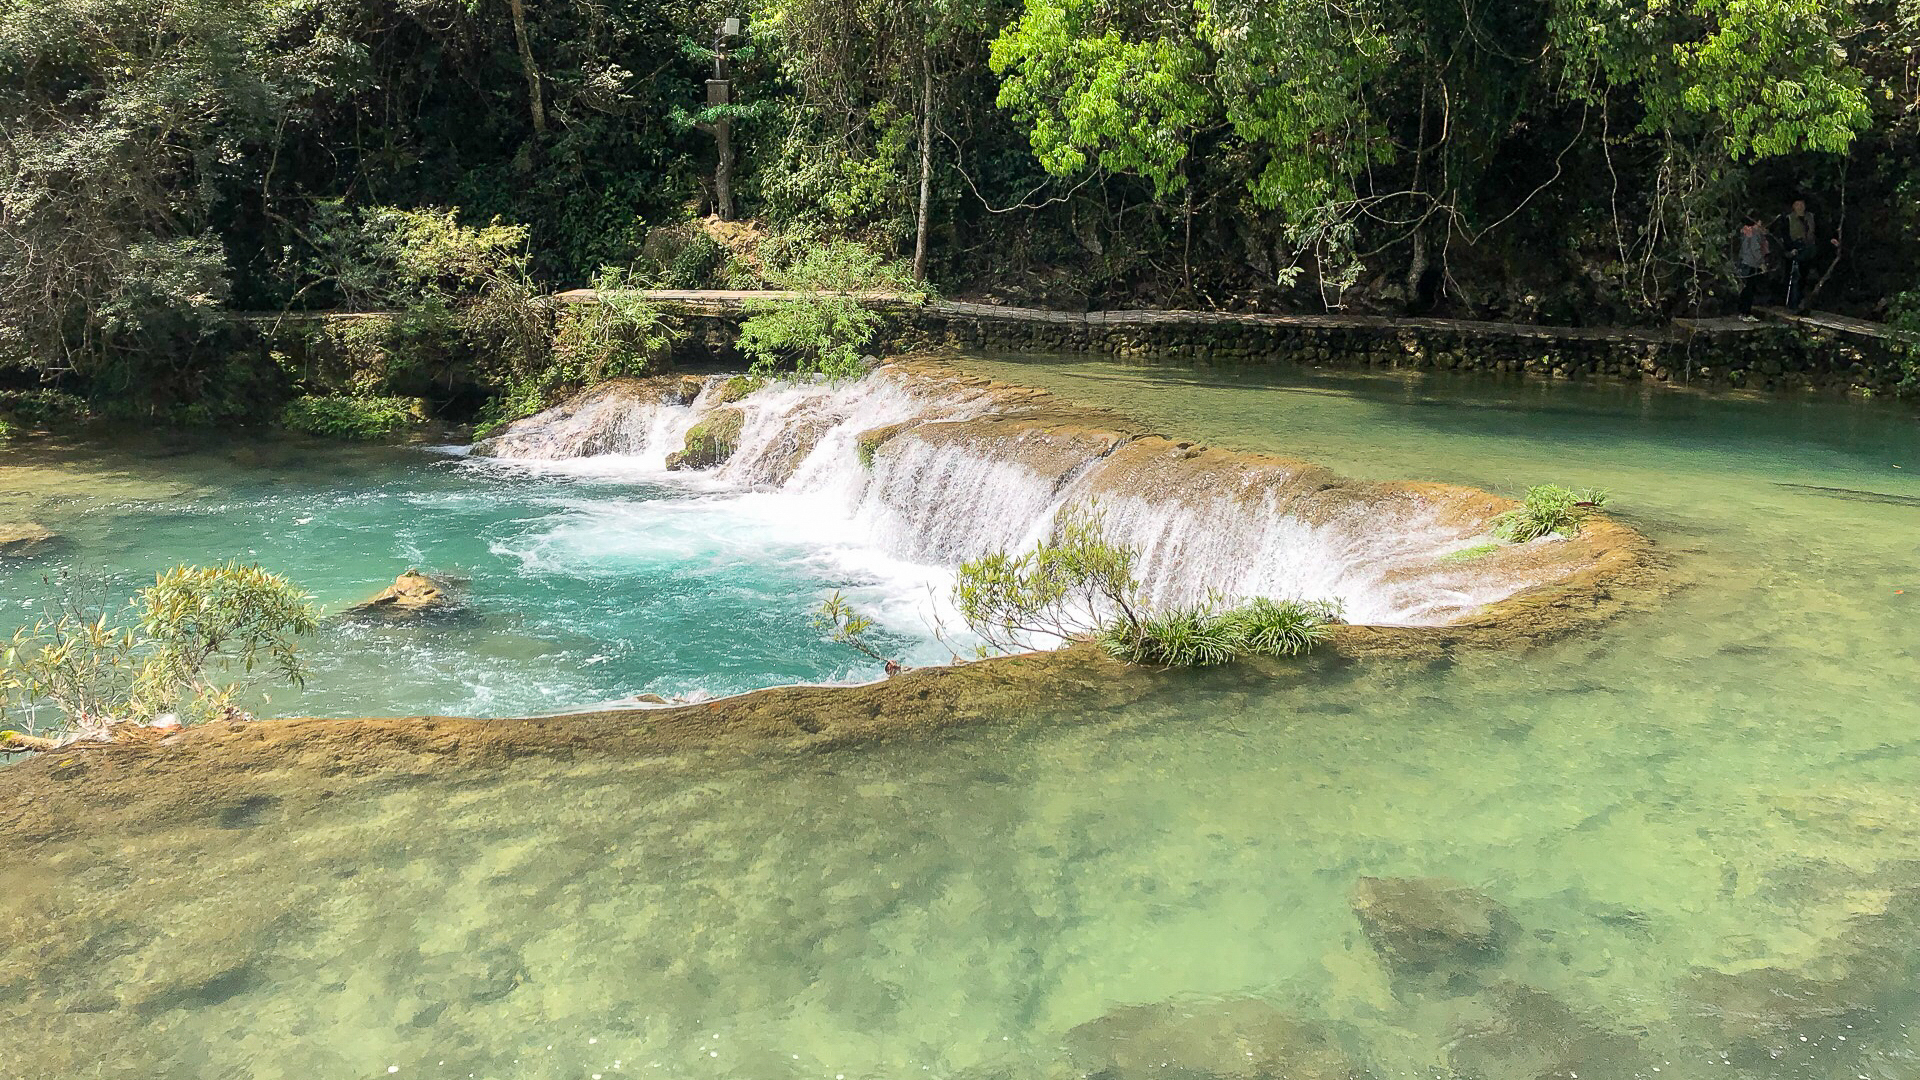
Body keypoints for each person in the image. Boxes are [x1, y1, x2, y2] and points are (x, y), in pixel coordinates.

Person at [1782, 198, 1834, 312]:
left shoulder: (1811, 217)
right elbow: (1785, 236)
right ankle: (1793, 304)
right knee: (1794, 277)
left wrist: (1830, 239)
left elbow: (1820, 231)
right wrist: (1791, 248)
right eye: (1797, 204)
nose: (1800, 207)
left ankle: (1802, 303)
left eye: (1802, 204)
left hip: (1809, 249)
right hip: (1795, 249)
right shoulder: (1788, 219)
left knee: (1805, 277)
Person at [1734, 216, 1770, 321]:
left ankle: (1743, 312)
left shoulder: (1747, 231)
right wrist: (1762, 263)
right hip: (1750, 264)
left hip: (1744, 262)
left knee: (1746, 288)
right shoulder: (1754, 233)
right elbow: (1755, 249)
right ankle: (1745, 313)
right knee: (1748, 289)